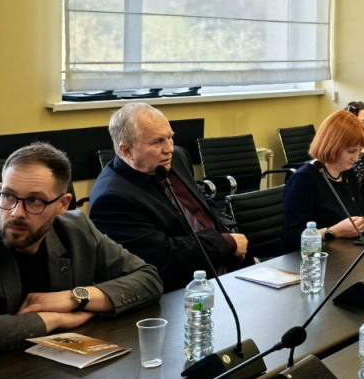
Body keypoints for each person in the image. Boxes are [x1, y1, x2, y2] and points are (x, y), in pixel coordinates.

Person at [0, 142, 162, 365]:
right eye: (8, 195)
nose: (16, 212)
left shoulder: (77, 229)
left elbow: (148, 279)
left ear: (63, 204)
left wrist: (74, 297)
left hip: (40, 367)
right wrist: (54, 319)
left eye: (35, 201)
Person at [89, 103, 250, 292]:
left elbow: (202, 205)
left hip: (225, 268)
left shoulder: (176, 158)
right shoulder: (111, 199)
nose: (169, 148)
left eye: (170, 137)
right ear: (127, 150)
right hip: (178, 290)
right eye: (157, 142)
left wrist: (229, 237)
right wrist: (225, 243)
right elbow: (162, 258)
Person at [282, 110, 364, 253]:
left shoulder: (347, 172)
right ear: (333, 145)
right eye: (351, 151)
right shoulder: (304, 179)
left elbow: (360, 213)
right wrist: (332, 232)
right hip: (316, 258)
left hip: (347, 252)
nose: (356, 159)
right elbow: (291, 238)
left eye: (359, 151)